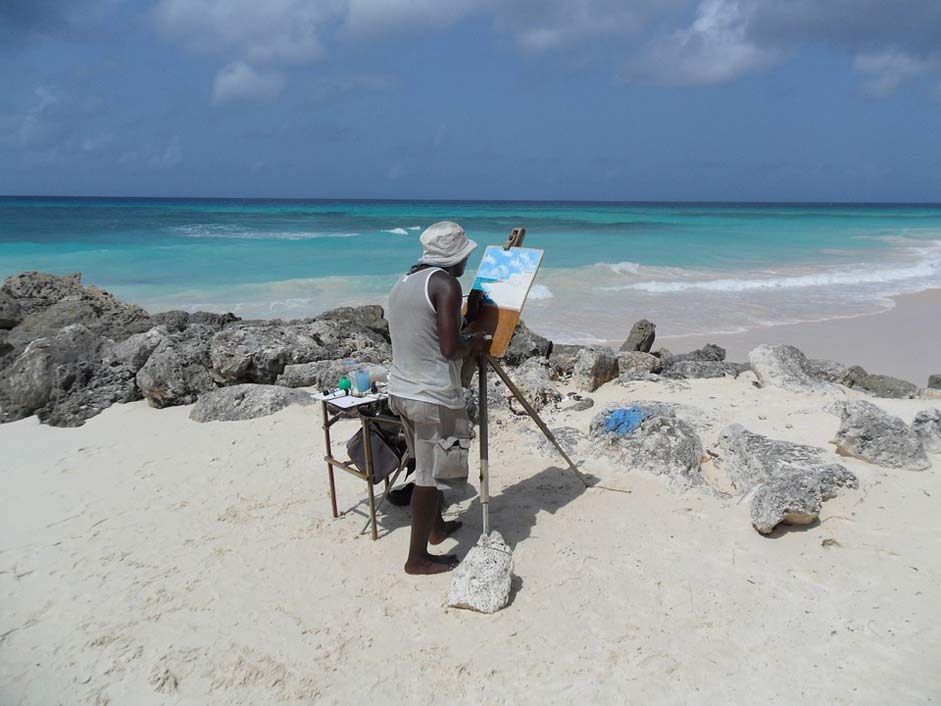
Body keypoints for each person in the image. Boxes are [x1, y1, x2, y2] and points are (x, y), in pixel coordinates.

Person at [387, 221, 489, 575]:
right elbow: (450, 349)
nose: (466, 263)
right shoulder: (446, 283)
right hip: (428, 396)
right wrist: (474, 341)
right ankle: (416, 559)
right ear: (454, 257)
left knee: (427, 465)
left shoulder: (406, 281)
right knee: (428, 480)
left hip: (400, 389)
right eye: (465, 256)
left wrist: (463, 319)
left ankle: (437, 527)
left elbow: (426, 331)